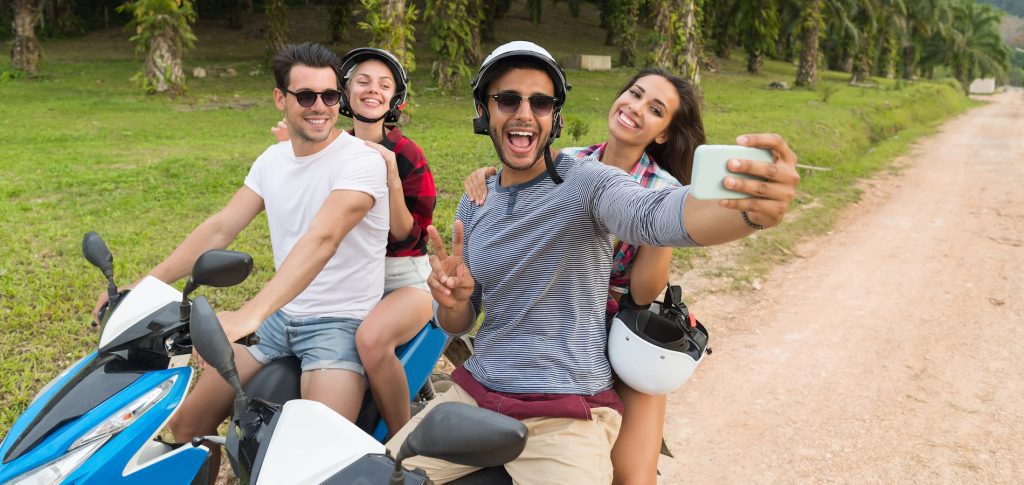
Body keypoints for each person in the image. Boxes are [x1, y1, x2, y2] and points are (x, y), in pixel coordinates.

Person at [385, 41, 800, 484]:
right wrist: (452, 301)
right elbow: (461, 322)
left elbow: (657, 215)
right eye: (508, 99)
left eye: (540, 102)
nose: (524, 112)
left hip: (567, 407)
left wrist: (747, 211)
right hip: (475, 393)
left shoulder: (591, 180)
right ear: (486, 113)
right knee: (367, 474)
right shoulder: (476, 203)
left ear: (554, 117)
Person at [92, 42, 389, 478]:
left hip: (339, 325)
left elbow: (323, 239)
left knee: (313, 462)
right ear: (280, 100)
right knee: (187, 427)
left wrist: (248, 315)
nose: (320, 107)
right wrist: (146, 285)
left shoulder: (360, 162)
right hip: (280, 320)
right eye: (306, 96)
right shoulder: (273, 160)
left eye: (329, 96)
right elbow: (221, 227)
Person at [463, 67, 704, 484]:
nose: (635, 108)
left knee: (633, 473)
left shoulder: (664, 186)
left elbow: (645, 291)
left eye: (655, 109)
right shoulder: (569, 159)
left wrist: (657, 225)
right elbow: (515, 181)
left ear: (663, 134)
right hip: (558, 318)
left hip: (620, 324)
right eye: (634, 93)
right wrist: (485, 174)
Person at [272, 47, 436, 436]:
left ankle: (400, 442)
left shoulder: (407, 154)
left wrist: (391, 176)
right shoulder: (331, 147)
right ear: (345, 91)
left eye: (384, 85)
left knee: (371, 339)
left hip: (403, 276)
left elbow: (403, 234)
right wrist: (292, 145)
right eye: (362, 81)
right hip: (350, 277)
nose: (372, 90)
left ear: (395, 98)